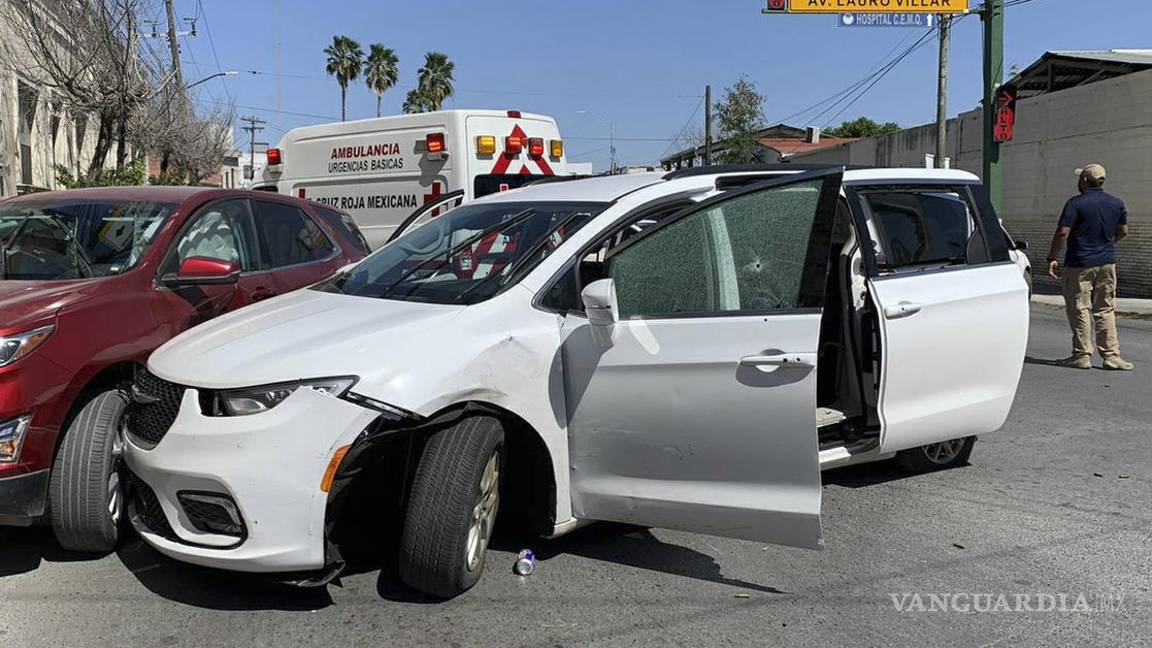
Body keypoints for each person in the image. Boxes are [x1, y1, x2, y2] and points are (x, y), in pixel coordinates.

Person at [1046, 163, 1133, 370]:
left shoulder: (1075, 204)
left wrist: (1052, 257)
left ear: (1084, 180)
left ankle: (1082, 354)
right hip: (1107, 263)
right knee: (1105, 308)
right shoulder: (1116, 203)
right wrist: (1106, 245)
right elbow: (1123, 231)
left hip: (1080, 263)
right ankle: (1111, 355)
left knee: (1079, 307)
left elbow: (1062, 233)